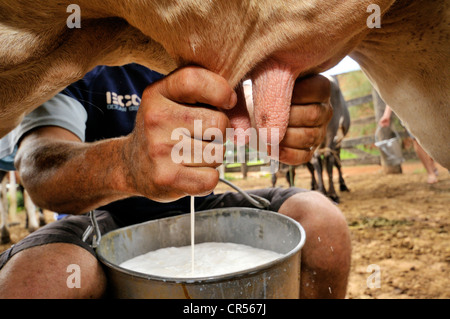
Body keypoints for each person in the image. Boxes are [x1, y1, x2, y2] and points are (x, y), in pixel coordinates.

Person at [0, 64, 351, 299]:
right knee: (39, 281)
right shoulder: (73, 62)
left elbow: (248, 117)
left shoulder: (206, 57)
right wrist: (124, 165)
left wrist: (279, 120)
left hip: (198, 204)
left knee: (323, 222)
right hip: (100, 219)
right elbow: (39, 168)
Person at [379, 105, 439, 184]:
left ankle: (431, 163)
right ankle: (430, 172)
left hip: (427, 105)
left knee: (433, 138)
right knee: (416, 140)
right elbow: (392, 94)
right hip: (408, 110)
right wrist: (386, 114)